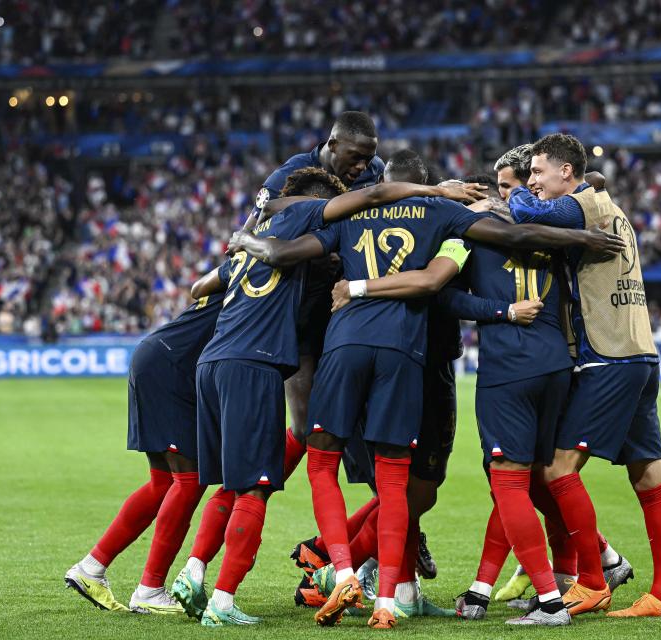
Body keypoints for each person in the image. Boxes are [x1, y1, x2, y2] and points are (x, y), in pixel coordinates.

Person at [229, 150, 626, 628]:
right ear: (426, 183)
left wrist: (248, 237)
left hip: (346, 346)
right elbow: (514, 236)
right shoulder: (442, 212)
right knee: (404, 480)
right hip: (411, 354)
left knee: (323, 461)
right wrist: (584, 237)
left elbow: (285, 249)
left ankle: (340, 567)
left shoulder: (352, 211)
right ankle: (389, 600)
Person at [170, 167, 486, 626]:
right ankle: (232, 599)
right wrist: (449, 196)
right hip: (319, 359)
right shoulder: (409, 220)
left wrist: (248, 244)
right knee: (284, 485)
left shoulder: (266, 244)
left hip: (226, 360)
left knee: (248, 479)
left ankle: (207, 569)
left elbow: (203, 286)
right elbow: (431, 277)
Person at [513, 133, 661, 619]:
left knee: (556, 469)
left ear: (567, 172)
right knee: (649, 478)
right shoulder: (607, 206)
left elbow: (527, 214)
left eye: (539, 172)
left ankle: (591, 579)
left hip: (610, 358)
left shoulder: (581, 205)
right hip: (640, 355)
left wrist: (518, 195)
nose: (533, 182)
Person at [64, 264, 231, 614]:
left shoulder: (235, 268)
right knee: (189, 479)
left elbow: (197, 290)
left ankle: (91, 568)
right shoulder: (260, 272)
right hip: (171, 368)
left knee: (162, 483)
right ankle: (150, 588)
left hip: (155, 355)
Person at [247, 111, 386, 489]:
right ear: (332, 144)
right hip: (301, 311)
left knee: (371, 426)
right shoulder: (288, 178)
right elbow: (251, 234)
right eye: (354, 157)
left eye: (368, 158)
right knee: (307, 427)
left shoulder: (376, 171)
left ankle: (393, 534)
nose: (362, 166)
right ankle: (252, 499)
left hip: (353, 307)